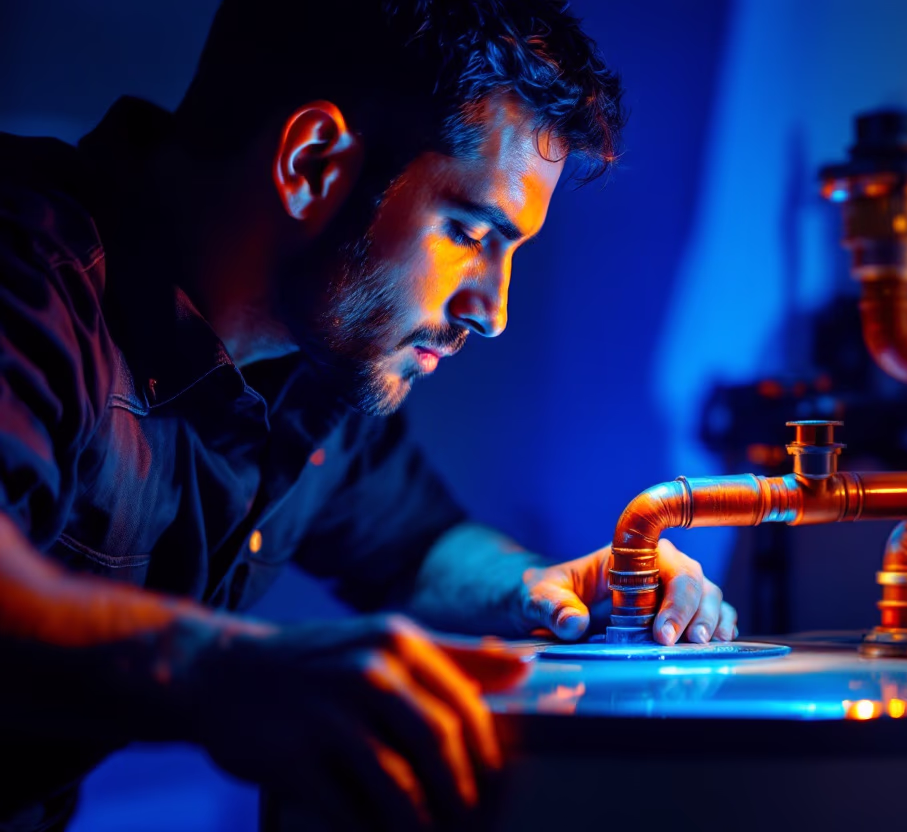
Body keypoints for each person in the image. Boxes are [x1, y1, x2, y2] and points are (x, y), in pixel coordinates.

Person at [0, 1, 737, 829]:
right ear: (313, 163)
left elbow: (413, 546)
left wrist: (539, 587)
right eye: (468, 230)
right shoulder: (26, 277)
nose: (491, 312)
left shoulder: (314, 360)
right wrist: (225, 670)